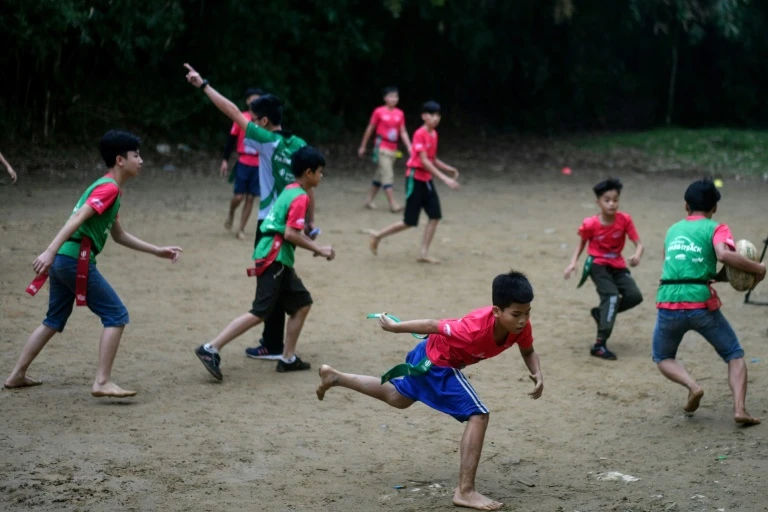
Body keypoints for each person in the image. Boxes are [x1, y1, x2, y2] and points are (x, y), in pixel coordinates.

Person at [316, 270, 543, 511]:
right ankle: (465, 491)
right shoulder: (473, 328)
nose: (522, 320)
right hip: (437, 363)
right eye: (516, 314)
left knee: (398, 398)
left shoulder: (521, 327)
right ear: (497, 311)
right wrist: (395, 327)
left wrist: (537, 372)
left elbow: (528, 351)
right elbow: (433, 325)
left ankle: (336, 377)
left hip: (428, 356)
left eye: (527, 313)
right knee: (479, 415)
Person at [3, 131, 182, 397]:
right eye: (136, 155)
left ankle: (16, 374)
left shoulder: (109, 188)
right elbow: (76, 220)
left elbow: (119, 235)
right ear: (120, 160)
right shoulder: (108, 188)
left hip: (65, 259)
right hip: (73, 259)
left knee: (53, 320)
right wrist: (49, 251)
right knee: (116, 315)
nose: (141, 160)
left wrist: (156, 250)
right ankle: (101, 382)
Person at [183, 63, 315, 361]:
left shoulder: (267, 141)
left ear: (265, 121)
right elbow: (309, 188)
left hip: (269, 224)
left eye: (254, 120)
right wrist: (310, 222)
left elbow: (230, 111)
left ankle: (228, 346)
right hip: (293, 221)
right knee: (283, 284)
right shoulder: (299, 145)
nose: (249, 124)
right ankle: (273, 345)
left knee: (270, 291)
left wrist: (203, 85)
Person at [194, 146, 335, 379]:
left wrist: (308, 237)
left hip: (277, 257)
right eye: (320, 172)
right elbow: (290, 233)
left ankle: (288, 358)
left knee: (302, 304)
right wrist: (318, 249)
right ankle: (210, 348)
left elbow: (289, 228)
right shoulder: (300, 196)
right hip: (275, 257)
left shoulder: (291, 190)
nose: (322, 176)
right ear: (309, 173)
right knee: (260, 312)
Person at [652, 178, 765, 425]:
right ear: (714, 208)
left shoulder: (673, 230)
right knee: (734, 354)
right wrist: (758, 268)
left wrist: (727, 275)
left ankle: (693, 386)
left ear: (686, 206)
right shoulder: (716, 227)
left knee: (663, 357)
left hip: (668, 303)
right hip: (700, 304)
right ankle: (739, 410)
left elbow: (682, 269)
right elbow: (724, 254)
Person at [368, 101, 459, 264]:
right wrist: (445, 179)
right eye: (432, 115)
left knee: (435, 216)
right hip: (415, 179)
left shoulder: (434, 134)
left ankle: (423, 253)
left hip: (427, 181)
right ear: (424, 116)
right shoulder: (420, 134)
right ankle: (378, 235)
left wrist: (448, 169)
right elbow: (424, 161)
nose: (436, 118)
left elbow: (433, 159)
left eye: (438, 115)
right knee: (409, 221)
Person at [564, 178, 644, 360]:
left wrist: (637, 255)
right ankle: (599, 345)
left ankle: (601, 313)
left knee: (634, 296)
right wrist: (573, 262)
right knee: (612, 297)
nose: (612, 204)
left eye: (615, 200)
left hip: (618, 265)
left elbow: (638, 244)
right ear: (598, 202)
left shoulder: (624, 220)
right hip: (597, 265)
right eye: (607, 200)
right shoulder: (591, 224)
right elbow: (582, 243)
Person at [358, 86, 412, 212]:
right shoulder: (379, 112)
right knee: (388, 175)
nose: (394, 99)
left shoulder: (400, 113)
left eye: (396, 96)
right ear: (385, 98)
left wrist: (410, 147)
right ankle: (393, 204)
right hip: (381, 148)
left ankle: (369, 200)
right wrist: (363, 145)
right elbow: (370, 128)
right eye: (391, 96)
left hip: (393, 148)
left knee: (379, 175)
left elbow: (403, 132)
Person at [221, 88, 264, 239]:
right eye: (253, 99)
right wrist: (225, 160)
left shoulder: (265, 121)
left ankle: (241, 229)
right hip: (243, 162)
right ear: (247, 101)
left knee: (251, 198)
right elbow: (231, 140)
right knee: (239, 196)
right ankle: (232, 211)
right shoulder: (241, 118)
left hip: (259, 165)